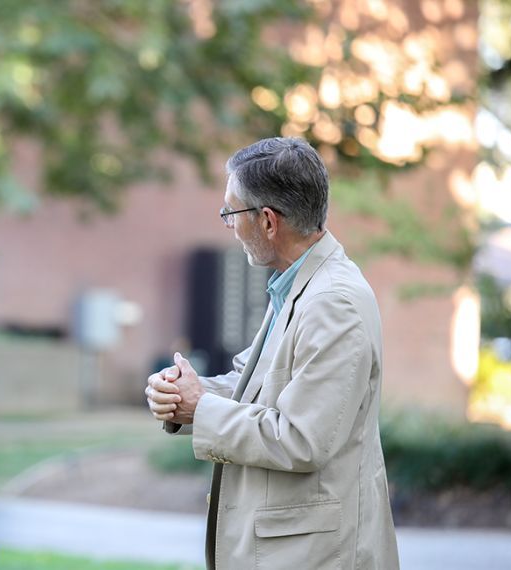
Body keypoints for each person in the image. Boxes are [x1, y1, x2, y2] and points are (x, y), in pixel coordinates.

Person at [145, 137, 398, 569]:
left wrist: (199, 408)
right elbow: (257, 388)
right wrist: (182, 394)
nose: (226, 222)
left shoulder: (334, 302)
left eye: (231, 211)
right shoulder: (297, 284)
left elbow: (302, 438)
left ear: (267, 221)